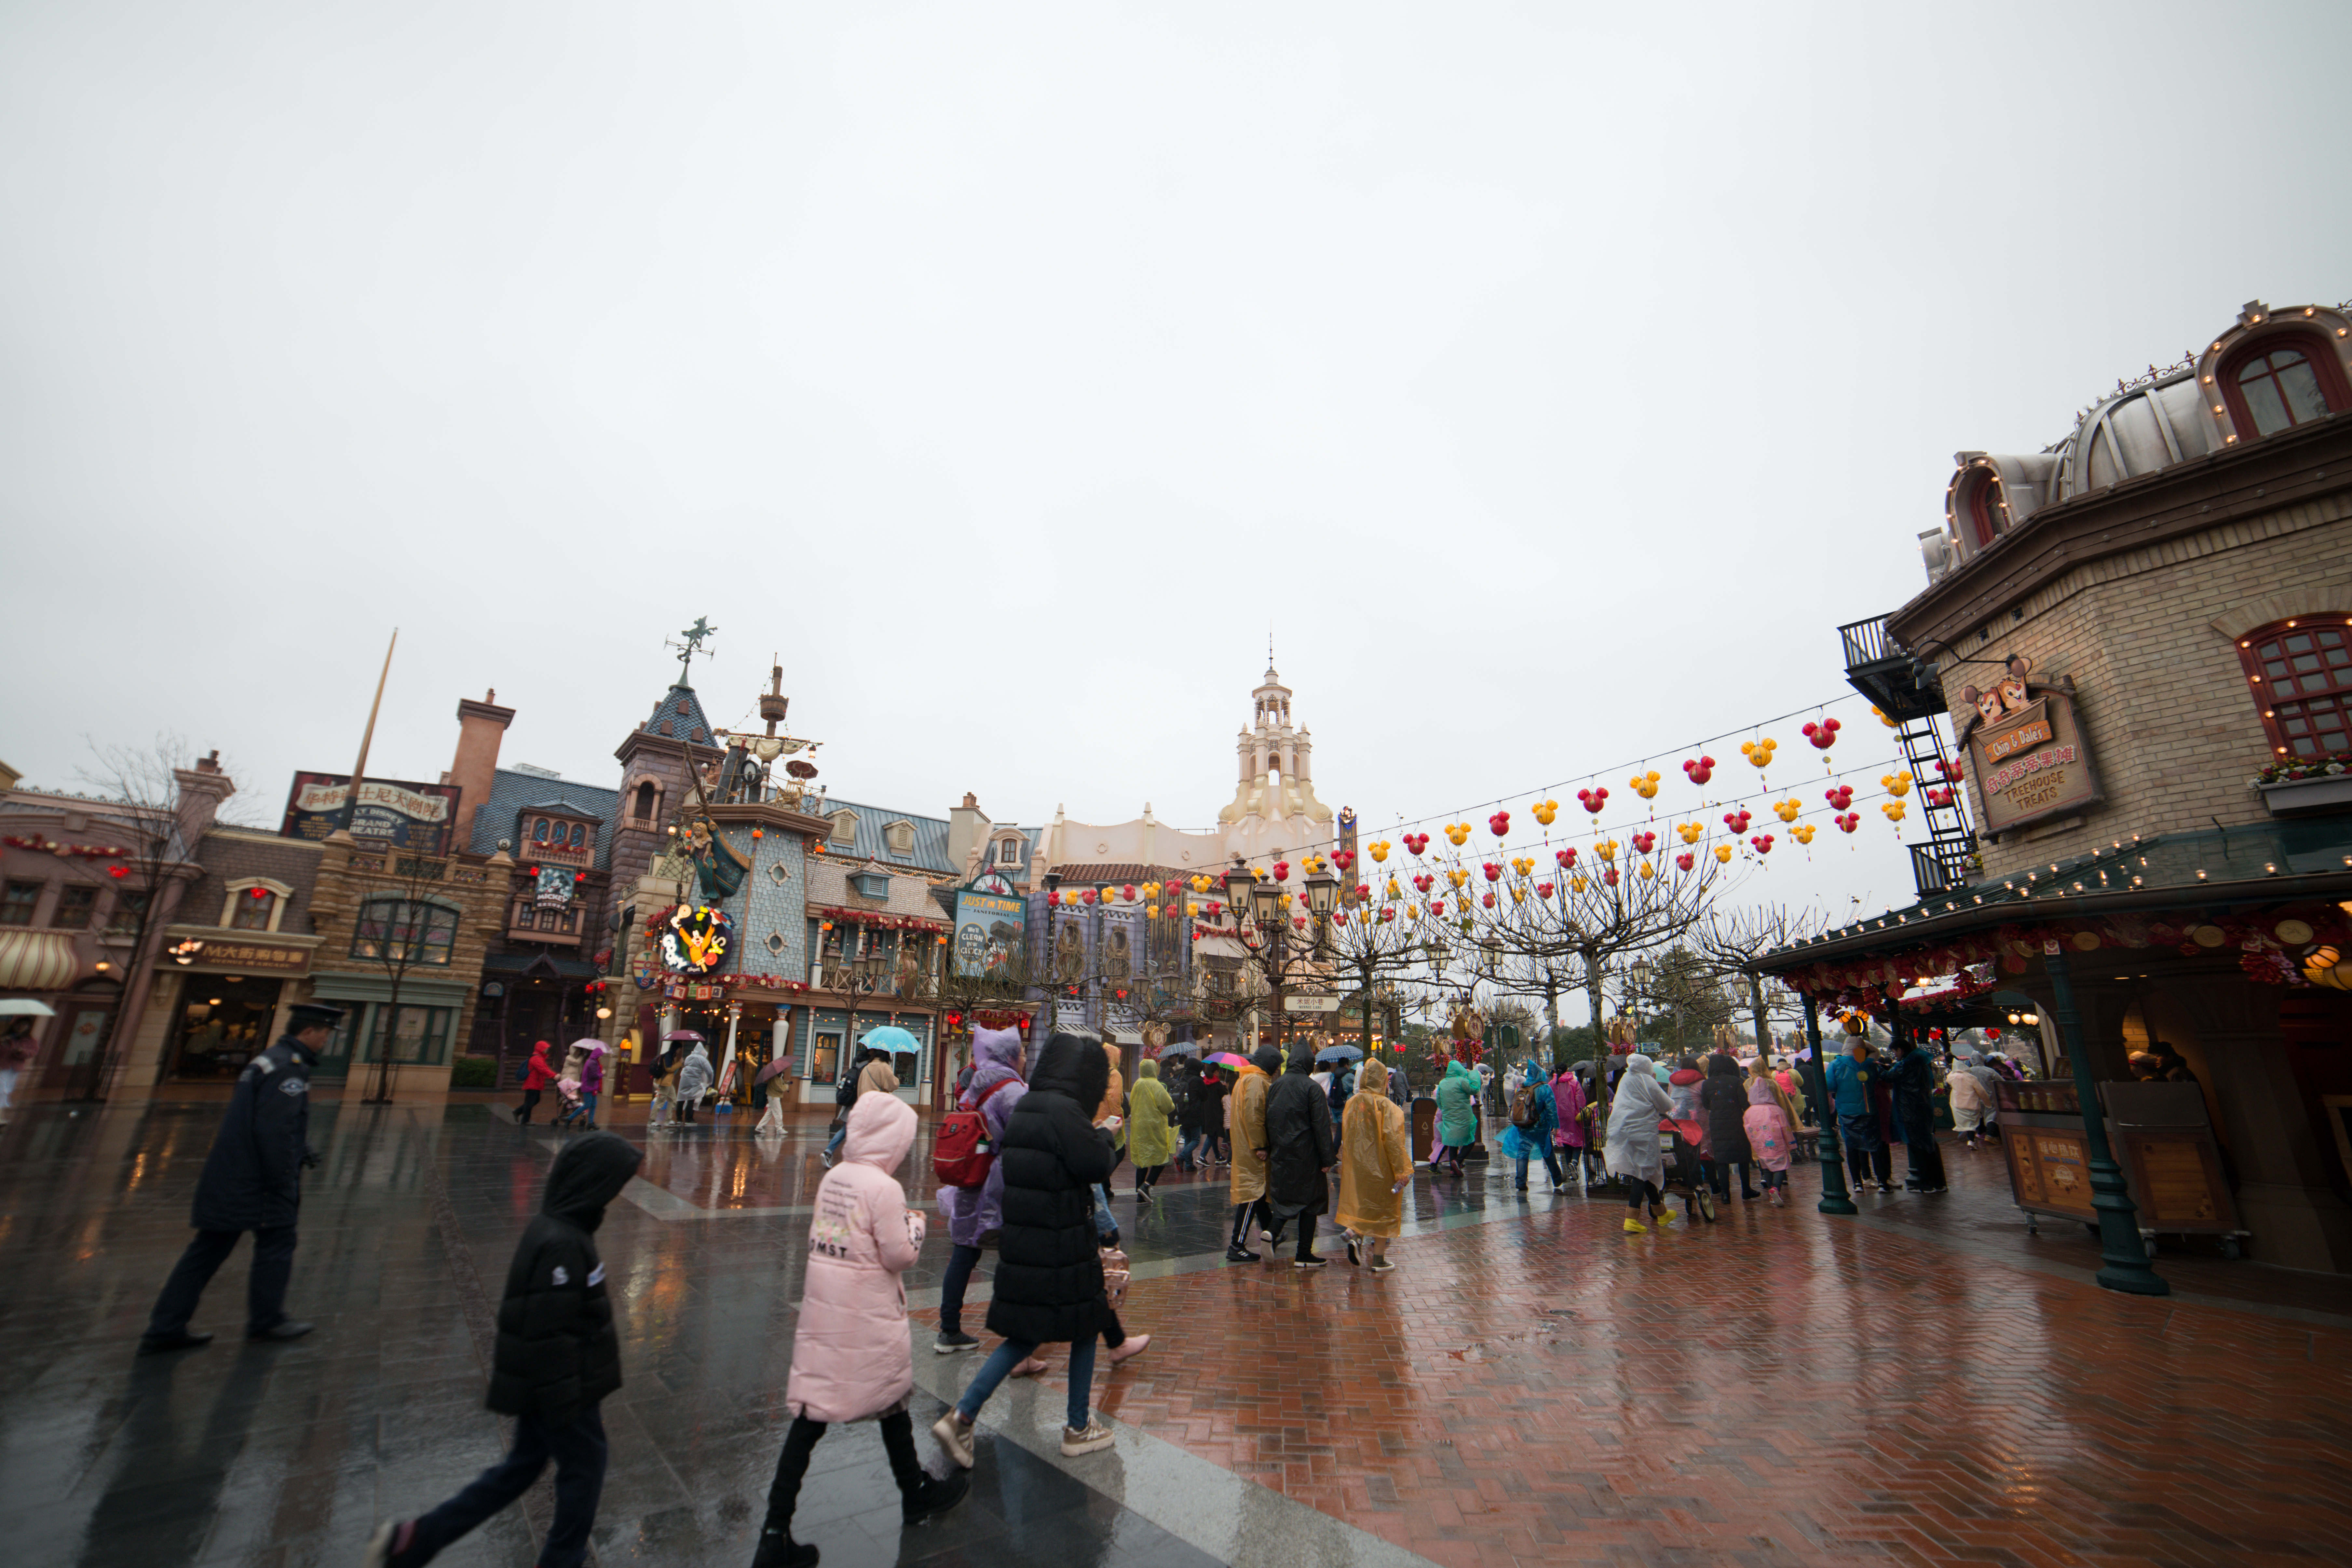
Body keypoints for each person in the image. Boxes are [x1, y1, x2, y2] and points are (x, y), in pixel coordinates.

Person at [362, 1133, 643, 1568]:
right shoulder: (561, 1245)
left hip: (551, 1383)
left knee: (520, 1469)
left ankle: (414, 1539)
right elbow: (551, 1333)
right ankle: (562, 1558)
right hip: (561, 1388)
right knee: (584, 1469)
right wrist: (572, 1401)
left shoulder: (565, 1231)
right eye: (614, 1184)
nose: (618, 1193)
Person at [752, 1091, 968, 1566]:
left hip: (825, 1313)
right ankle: (915, 1492)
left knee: (816, 1417)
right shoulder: (884, 1188)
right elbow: (899, 1254)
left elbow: (830, 1237)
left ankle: (774, 1528)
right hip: (867, 1315)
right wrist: (914, 1223)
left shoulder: (835, 1178)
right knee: (889, 1399)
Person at [933, 1033, 1119, 1466]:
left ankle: (963, 1414)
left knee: (1024, 1334)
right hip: (1063, 1240)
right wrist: (1106, 1136)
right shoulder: (1066, 1111)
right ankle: (1077, 1425)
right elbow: (1093, 1165)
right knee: (1086, 1324)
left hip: (1024, 1238)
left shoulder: (1030, 1104)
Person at [140, 1001, 340, 1353]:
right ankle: (267, 1321)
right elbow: (274, 1129)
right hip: (259, 1181)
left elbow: (261, 1117)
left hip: (231, 1173)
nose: (326, 1041)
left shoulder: (267, 1060)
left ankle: (166, 1326)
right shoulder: (288, 1069)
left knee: (206, 1252)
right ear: (308, 1031)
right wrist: (283, 1180)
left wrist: (302, 1146)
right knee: (277, 1245)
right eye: (325, 1033)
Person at [934, 1025, 1026, 1354]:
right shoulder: (1012, 1090)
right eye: (1022, 1051)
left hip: (970, 1177)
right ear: (1010, 1055)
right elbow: (1023, 1135)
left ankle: (948, 1329)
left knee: (964, 1252)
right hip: (998, 1185)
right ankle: (1019, 1331)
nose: (1025, 1057)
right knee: (1016, 1253)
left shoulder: (977, 1082)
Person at [1261, 1045, 1338, 1266]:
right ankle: (1303, 1253)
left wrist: (1269, 1146)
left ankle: (1272, 1230)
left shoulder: (1276, 1086)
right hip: (1308, 1154)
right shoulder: (1311, 1088)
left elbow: (1268, 1118)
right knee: (1312, 1201)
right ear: (1308, 1063)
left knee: (1287, 1199)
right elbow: (1322, 1126)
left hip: (1281, 1152)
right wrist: (1327, 1159)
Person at [1334, 1056, 1411, 1271]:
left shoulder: (1352, 1103)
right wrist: (1402, 1171)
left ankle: (1355, 1235)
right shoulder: (1388, 1107)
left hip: (1357, 1168)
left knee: (1364, 1205)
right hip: (1383, 1167)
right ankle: (1378, 1259)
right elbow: (1394, 1142)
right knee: (1384, 1212)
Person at [1603, 1051, 1675, 1232]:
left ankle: (1662, 1213)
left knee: (1646, 1169)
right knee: (1642, 1172)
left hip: (1623, 1130)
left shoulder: (1626, 1079)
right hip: (1643, 1131)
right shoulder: (1647, 1080)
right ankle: (1632, 1219)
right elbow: (1667, 1105)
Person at [1223, 1043, 1280, 1261]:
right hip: (1252, 1148)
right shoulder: (1257, 1081)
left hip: (1244, 1144)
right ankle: (1236, 1244)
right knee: (1252, 1192)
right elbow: (1254, 1114)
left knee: (1257, 1193)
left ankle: (1272, 1233)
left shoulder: (1245, 1078)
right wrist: (1260, 1145)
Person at [1826, 1034, 1891, 1191]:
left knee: (1852, 1148)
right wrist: (1862, 1043)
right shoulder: (1869, 1064)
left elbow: (1830, 1086)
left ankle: (1857, 1183)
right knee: (1875, 1146)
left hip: (1847, 1112)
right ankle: (1883, 1182)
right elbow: (1876, 1053)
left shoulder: (1835, 1064)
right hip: (1869, 1110)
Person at [1887, 1036, 1947, 1193]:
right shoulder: (1922, 1063)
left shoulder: (1906, 1064)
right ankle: (1939, 1183)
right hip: (1925, 1108)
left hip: (1910, 1111)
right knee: (1930, 1146)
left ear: (1900, 1050)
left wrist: (1880, 1068)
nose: (1895, 1055)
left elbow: (1889, 1077)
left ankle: (1927, 1184)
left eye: (1895, 1052)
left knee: (1918, 1148)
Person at [1700, 1051, 1757, 1200]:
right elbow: (1745, 1103)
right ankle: (1746, 1191)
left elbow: (1706, 1105)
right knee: (1743, 1157)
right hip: (1736, 1121)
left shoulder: (1707, 1083)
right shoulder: (1736, 1081)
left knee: (1722, 1159)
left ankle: (1726, 1194)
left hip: (1717, 1123)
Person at [1500, 1058, 1563, 1193]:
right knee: (1547, 1152)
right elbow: (1552, 1110)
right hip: (1541, 1127)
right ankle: (1557, 1178)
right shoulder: (1545, 1088)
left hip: (1524, 1125)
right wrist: (1556, 1126)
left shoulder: (1522, 1087)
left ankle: (1521, 1182)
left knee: (1523, 1152)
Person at [1742, 1075, 1797, 1205]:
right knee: (1781, 1166)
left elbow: (1747, 1129)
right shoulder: (1776, 1109)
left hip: (1760, 1145)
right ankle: (1776, 1188)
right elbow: (1785, 1127)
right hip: (1777, 1144)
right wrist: (1792, 1144)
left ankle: (1772, 1192)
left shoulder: (1749, 1112)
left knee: (1766, 1166)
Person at [1128, 1057, 1175, 1199]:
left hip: (1138, 1127)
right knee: (1162, 1158)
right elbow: (1168, 1106)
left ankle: (1140, 1194)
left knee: (1142, 1161)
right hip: (1155, 1127)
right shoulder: (1156, 1085)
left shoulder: (1137, 1084)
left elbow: (1131, 1102)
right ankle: (1147, 1185)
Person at [1433, 1058, 1479, 1177]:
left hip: (1449, 1117)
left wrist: (1447, 1110)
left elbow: (1439, 1101)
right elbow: (1474, 1089)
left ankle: (1454, 1170)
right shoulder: (1461, 1081)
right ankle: (1457, 1162)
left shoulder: (1443, 1083)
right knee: (1470, 1140)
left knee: (1453, 1142)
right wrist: (1472, 1073)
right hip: (1464, 1117)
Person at [1946, 1056, 1996, 1150]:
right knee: (1972, 1124)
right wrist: (1987, 1103)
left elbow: (1948, 1079)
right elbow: (1981, 1091)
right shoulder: (1971, 1078)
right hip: (1971, 1104)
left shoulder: (1952, 1077)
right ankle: (1971, 1141)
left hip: (1957, 1105)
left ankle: (1969, 1138)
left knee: (1966, 1124)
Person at [0, 1016, 37, 1122]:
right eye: (19, 1025)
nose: (21, 1028)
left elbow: (32, 1052)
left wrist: (20, 1051)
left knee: (5, 1090)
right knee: (2, 1090)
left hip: (13, 1069)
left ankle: (1, 1115)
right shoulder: (7, 1037)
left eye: (25, 1026)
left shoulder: (29, 1041)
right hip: (2, 1066)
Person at [1170, 1057, 1204, 1173]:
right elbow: (1206, 1096)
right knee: (1196, 1140)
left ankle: (1189, 1165)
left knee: (1188, 1140)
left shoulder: (1182, 1078)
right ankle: (1181, 1157)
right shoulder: (1198, 1081)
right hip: (1194, 1114)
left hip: (1182, 1114)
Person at [514, 1039, 556, 1126]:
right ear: (541, 1049)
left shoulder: (539, 1058)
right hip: (532, 1084)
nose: (546, 1051)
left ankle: (518, 1112)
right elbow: (543, 1070)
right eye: (545, 1049)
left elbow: (545, 1069)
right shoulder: (536, 1058)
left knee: (535, 1101)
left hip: (536, 1083)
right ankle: (524, 1120)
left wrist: (553, 1075)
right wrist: (554, 1076)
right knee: (530, 1102)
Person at [675, 1040, 714, 1125]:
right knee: (691, 1099)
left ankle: (679, 1119)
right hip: (694, 1081)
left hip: (684, 1080)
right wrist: (710, 1082)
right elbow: (710, 1072)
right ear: (701, 1051)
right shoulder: (703, 1060)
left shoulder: (689, 1057)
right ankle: (689, 1119)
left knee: (681, 1099)